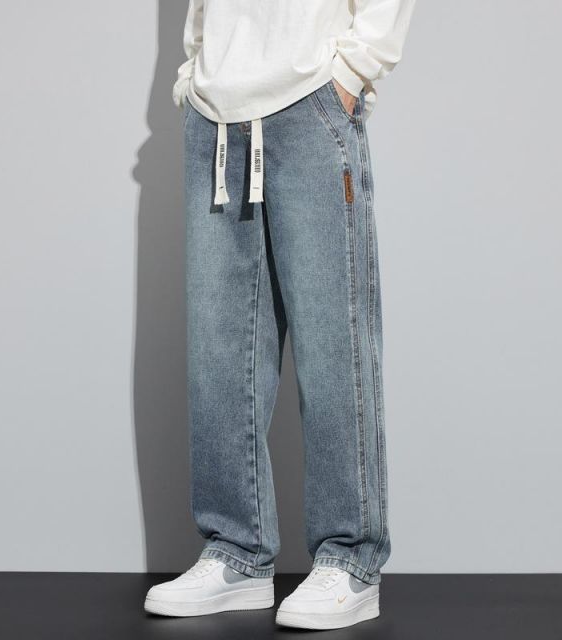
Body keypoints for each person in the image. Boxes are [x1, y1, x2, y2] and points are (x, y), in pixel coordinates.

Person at [144, 0, 417, 630]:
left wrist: (353, 71)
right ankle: (235, 551)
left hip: (310, 100)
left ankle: (350, 559)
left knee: (333, 346)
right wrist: (195, 70)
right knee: (219, 353)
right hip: (214, 113)